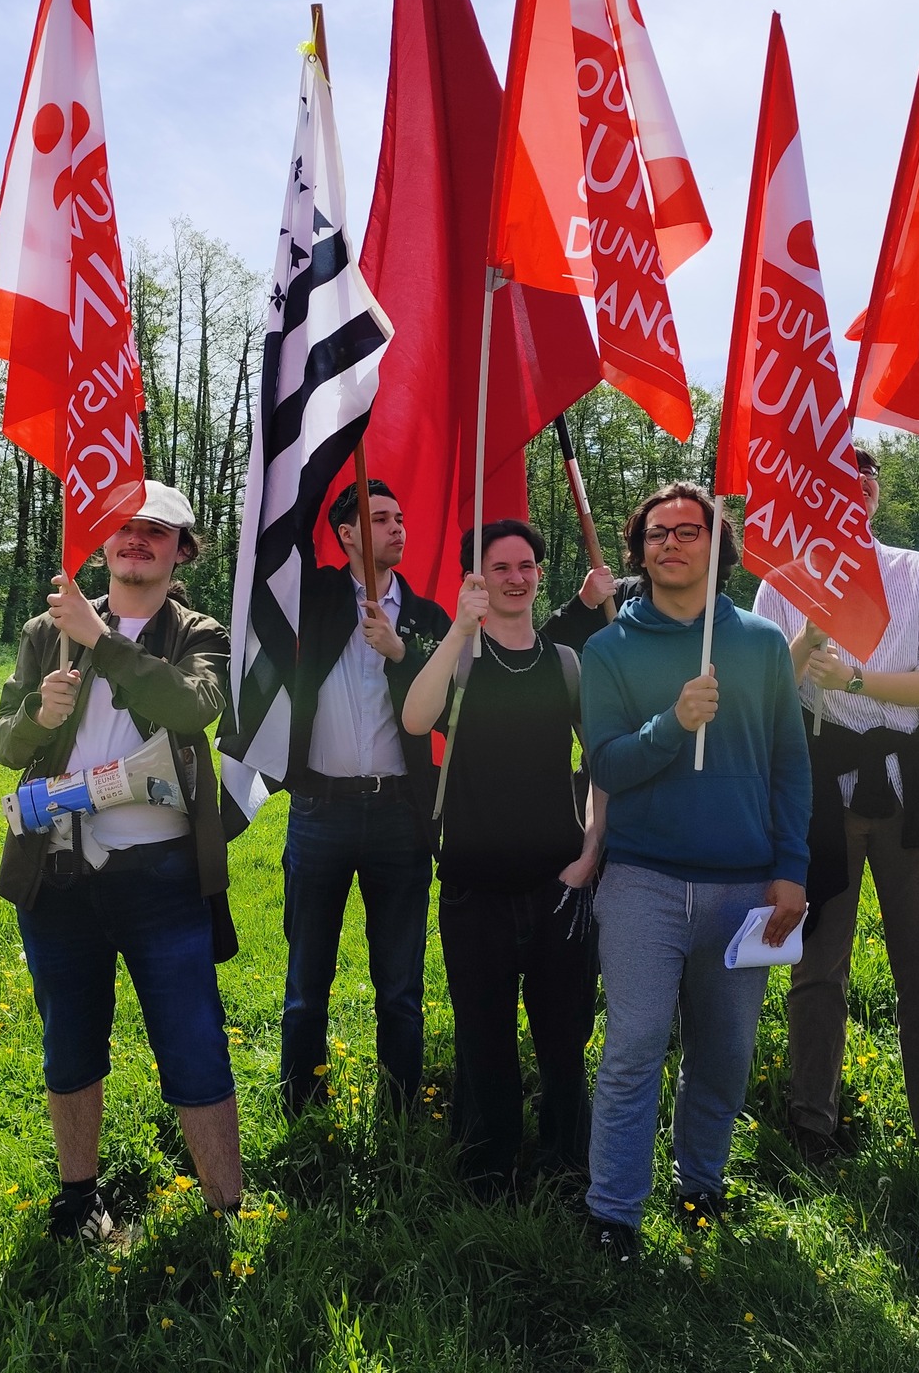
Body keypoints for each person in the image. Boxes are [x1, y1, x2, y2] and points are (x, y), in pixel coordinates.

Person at [0, 482, 243, 1243]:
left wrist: (100, 639)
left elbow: (191, 707)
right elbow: (3, 744)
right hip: (59, 873)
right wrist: (38, 716)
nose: (137, 539)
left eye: (156, 531)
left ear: (181, 550)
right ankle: (77, 1200)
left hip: (162, 875)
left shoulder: (200, 632)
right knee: (69, 1041)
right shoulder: (46, 631)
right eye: (124, 527)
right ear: (101, 542)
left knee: (193, 1039)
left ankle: (227, 1210)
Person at [579, 482, 811, 1263]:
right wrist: (672, 724)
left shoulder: (762, 644)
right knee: (635, 1042)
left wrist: (791, 868)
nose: (670, 544)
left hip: (746, 886)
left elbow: (790, 766)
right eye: (656, 533)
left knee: (725, 1050)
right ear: (639, 549)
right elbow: (607, 765)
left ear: (718, 548)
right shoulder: (610, 650)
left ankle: (700, 1184)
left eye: (688, 532)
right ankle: (613, 1211)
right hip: (641, 879)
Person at [751, 446, 919, 1161]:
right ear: (809, 491)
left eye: (867, 478)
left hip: (916, 787)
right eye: (838, 479)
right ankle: (812, 1120)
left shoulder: (916, 571)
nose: (856, 489)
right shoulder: (782, 581)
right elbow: (765, 688)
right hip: (821, 787)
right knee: (818, 963)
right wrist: (805, 642)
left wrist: (856, 679)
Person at [402, 519, 606, 1199]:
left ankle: (567, 1166)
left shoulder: (566, 664)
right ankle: (489, 1169)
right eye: (500, 567)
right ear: (478, 579)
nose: (516, 578)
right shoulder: (461, 660)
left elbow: (600, 763)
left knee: (564, 1038)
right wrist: (460, 630)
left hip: (559, 886)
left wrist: (590, 849)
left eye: (526, 566)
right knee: (483, 1037)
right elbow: (414, 718)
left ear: (540, 575)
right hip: (473, 888)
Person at [277, 478, 451, 1116]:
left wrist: (400, 652)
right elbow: (287, 537)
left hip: (400, 816)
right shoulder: (317, 597)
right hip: (319, 811)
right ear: (347, 535)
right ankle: (302, 1103)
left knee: (401, 985)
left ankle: (400, 1108)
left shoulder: (428, 618)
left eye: (399, 517)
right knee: (307, 982)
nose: (398, 527)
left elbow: (448, 713)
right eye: (380, 519)